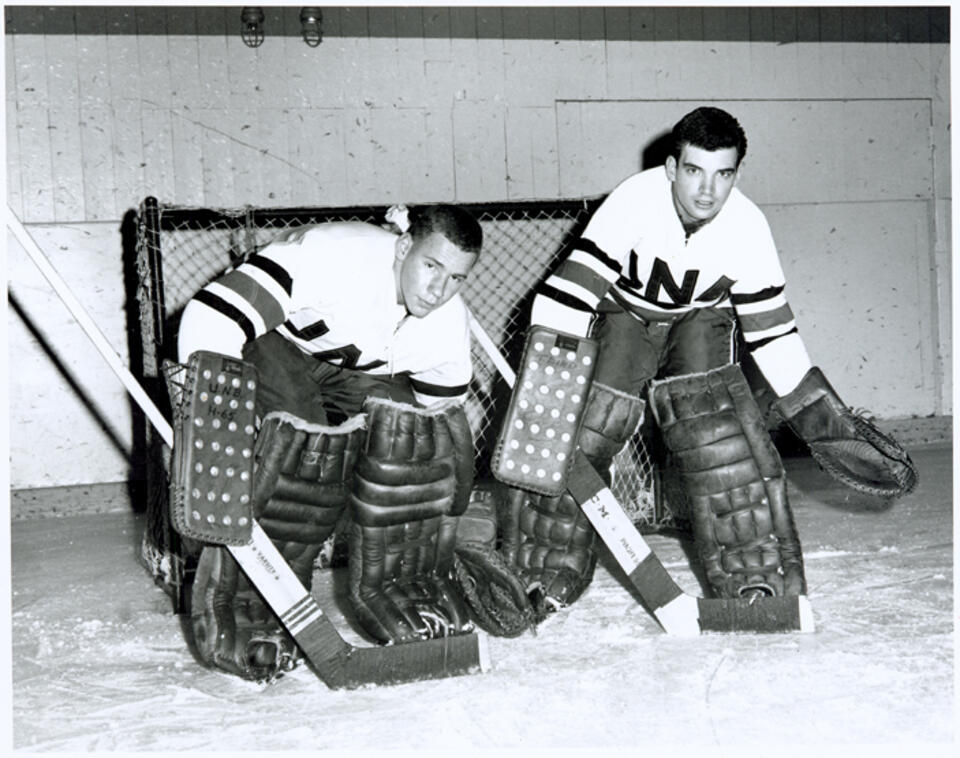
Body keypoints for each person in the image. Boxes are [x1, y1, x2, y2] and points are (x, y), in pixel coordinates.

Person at [486, 106, 917, 622]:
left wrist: (819, 417)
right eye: (694, 171)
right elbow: (563, 298)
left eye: (723, 174)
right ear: (672, 168)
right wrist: (550, 395)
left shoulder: (748, 227)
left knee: (722, 445)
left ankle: (755, 582)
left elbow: (774, 336)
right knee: (583, 435)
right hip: (626, 314)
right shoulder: (633, 201)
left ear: (737, 173)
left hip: (700, 320)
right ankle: (542, 571)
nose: (707, 191)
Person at [172, 205, 485, 681]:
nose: (439, 291)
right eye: (430, 266)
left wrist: (423, 489)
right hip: (273, 341)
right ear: (403, 247)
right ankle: (256, 600)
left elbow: (437, 426)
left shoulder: (446, 328)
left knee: (409, 437)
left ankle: (402, 584)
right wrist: (218, 423)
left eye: (456, 278)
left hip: (351, 371)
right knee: (304, 452)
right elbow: (212, 315)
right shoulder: (335, 257)